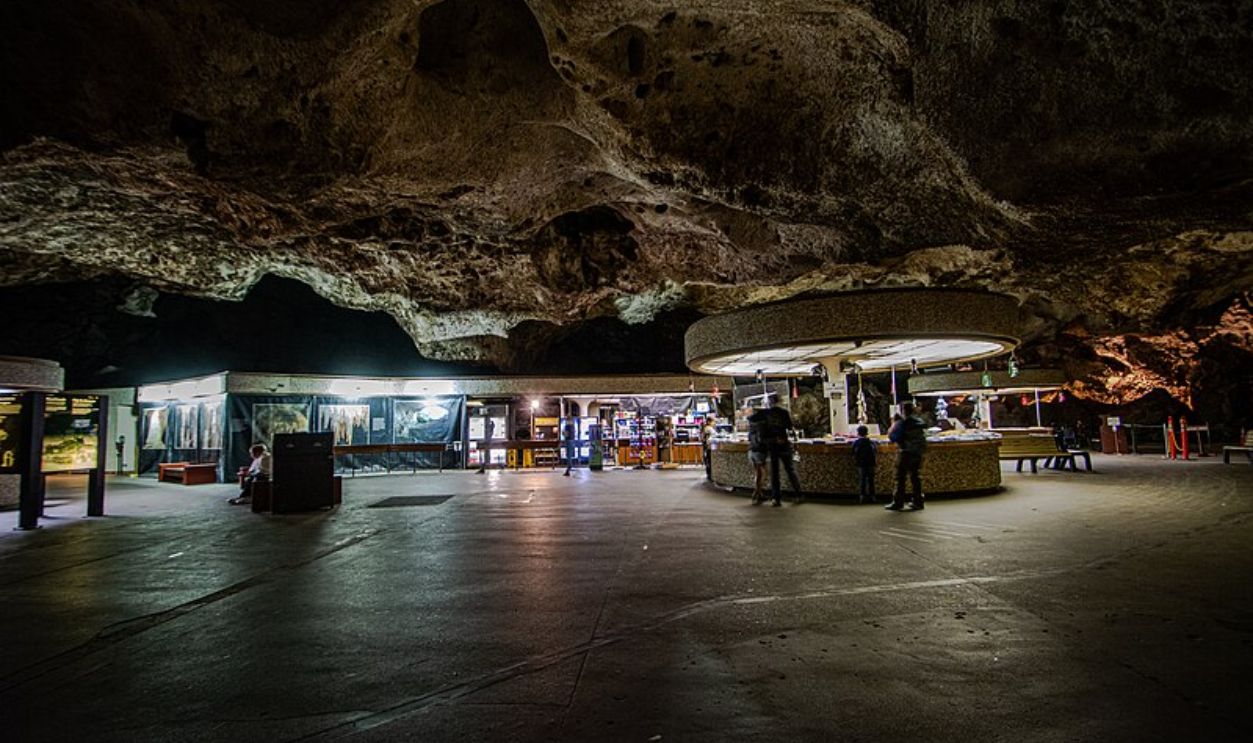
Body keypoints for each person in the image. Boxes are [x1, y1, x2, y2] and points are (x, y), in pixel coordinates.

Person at [750, 402, 802, 506]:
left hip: (773, 446)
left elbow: (753, 422)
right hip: (784, 445)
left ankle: (776, 498)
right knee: (790, 470)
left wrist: (772, 439)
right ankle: (798, 494)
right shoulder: (783, 413)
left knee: (775, 473)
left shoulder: (764, 414)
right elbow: (790, 427)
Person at [886, 402, 927, 511]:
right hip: (918, 453)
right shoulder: (919, 422)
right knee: (916, 477)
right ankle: (918, 501)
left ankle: (898, 502)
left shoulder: (902, 423)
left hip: (905, 452)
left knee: (900, 478)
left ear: (903, 410)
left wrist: (894, 424)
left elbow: (893, 437)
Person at [746, 407, 769, 504]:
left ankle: (759, 494)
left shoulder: (751, 425)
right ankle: (756, 493)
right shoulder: (762, 425)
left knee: (758, 473)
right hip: (759, 451)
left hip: (751, 450)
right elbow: (761, 439)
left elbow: (749, 438)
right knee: (762, 473)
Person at [851, 425, 878, 504]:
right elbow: (875, 450)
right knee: (871, 480)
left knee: (862, 480)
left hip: (861, 463)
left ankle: (862, 496)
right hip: (871, 463)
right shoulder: (871, 442)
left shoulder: (856, 442)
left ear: (858, 433)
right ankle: (872, 496)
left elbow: (853, 452)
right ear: (867, 433)